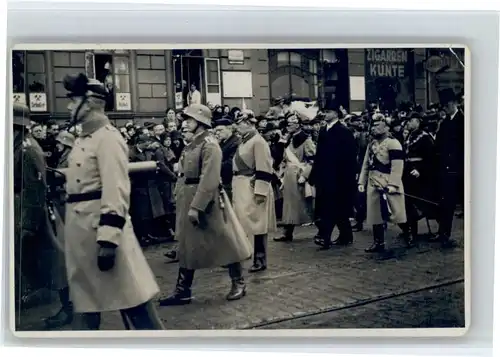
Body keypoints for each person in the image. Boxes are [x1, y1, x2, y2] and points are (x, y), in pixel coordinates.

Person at [61, 73, 162, 330]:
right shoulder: (84, 138)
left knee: (133, 303)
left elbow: (116, 189)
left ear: (91, 102)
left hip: (102, 235)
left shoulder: (108, 138)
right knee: (87, 305)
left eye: (74, 100)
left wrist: (108, 238)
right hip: (81, 234)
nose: (69, 106)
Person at [159, 104, 252, 306]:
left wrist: (197, 206)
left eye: (189, 120)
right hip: (189, 197)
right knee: (186, 244)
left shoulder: (210, 145)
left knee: (224, 240)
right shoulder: (192, 143)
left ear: (201, 122)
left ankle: (239, 282)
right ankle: (182, 290)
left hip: (206, 201)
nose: (185, 123)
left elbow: (209, 178)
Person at [13, 103, 52, 319]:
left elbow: (34, 187)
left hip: (25, 209)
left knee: (28, 253)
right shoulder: (18, 146)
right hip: (18, 206)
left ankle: (36, 291)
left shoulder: (27, 150)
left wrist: (28, 222)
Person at [232, 110, 277, 273]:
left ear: (250, 124)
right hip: (241, 186)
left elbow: (264, 168)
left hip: (253, 188)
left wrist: (260, 191)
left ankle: (260, 258)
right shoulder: (244, 141)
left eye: (240, 123)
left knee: (258, 225)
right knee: (245, 223)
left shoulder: (258, 141)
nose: (237, 127)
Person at [308, 104, 358, 250]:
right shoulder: (323, 130)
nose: (325, 114)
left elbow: (350, 157)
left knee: (332, 207)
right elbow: (319, 155)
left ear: (336, 113)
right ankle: (346, 235)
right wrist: (314, 174)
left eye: (328, 111)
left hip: (339, 177)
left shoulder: (344, 131)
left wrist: (349, 177)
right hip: (325, 176)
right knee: (333, 208)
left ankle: (324, 236)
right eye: (324, 111)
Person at [358, 114, 407, 253]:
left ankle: (408, 233)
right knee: (375, 214)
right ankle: (378, 242)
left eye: (378, 125)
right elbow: (366, 164)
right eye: (373, 125)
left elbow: (397, 166)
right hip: (373, 182)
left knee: (395, 212)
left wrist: (393, 184)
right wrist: (362, 181)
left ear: (386, 127)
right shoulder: (372, 143)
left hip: (388, 181)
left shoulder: (393, 142)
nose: (374, 128)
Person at [44, 130, 76, 329]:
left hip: (66, 207)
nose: (56, 146)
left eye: (58, 144)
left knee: (63, 257)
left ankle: (70, 306)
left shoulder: (70, 159)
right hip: (62, 206)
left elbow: (68, 182)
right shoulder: (65, 158)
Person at [429, 88, 464, 248]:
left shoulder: (463, 120)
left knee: (459, 202)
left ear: (453, 103)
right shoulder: (445, 123)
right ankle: (443, 232)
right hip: (445, 168)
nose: (445, 108)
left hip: (458, 168)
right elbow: (438, 146)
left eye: (447, 105)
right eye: (444, 105)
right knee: (445, 202)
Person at [274, 113, 316, 242]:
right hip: (288, 174)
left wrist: (305, 175)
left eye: (291, 124)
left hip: (299, 174)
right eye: (287, 124)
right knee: (289, 205)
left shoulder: (306, 139)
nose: (288, 126)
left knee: (307, 205)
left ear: (297, 125)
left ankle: (322, 230)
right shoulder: (288, 138)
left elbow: (312, 159)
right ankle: (288, 232)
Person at [399, 112, 436, 247]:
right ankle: (410, 231)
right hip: (407, 171)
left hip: (419, 174)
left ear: (418, 121)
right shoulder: (409, 136)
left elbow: (431, 158)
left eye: (411, 120)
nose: (408, 123)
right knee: (407, 202)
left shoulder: (425, 138)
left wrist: (420, 169)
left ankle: (438, 228)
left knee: (419, 202)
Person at [213, 118, 241, 201]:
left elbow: (230, 163)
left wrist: (214, 167)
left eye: (220, 130)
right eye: (216, 131)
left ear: (229, 129)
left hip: (231, 181)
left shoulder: (236, 142)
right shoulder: (222, 142)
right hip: (224, 181)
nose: (217, 133)